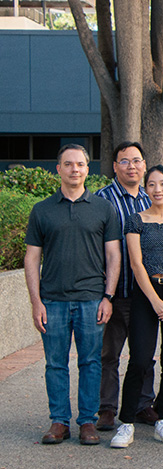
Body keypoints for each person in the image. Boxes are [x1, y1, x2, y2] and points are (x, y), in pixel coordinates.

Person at [24, 144, 121, 445]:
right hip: (52, 301)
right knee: (55, 363)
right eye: (68, 164)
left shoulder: (104, 209)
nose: (74, 169)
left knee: (91, 362)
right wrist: (35, 301)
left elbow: (114, 256)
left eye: (80, 164)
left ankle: (87, 422)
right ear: (59, 169)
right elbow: (31, 258)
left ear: (87, 169)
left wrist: (108, 296)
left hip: (92, 299)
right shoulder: (42, 210)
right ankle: (59, 422)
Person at [110, 166, 163, 448]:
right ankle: (127, 423)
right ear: (146, 189)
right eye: (152, 185)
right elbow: (135, 263)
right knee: (140, 359)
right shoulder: (136, 221)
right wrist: (156, 300)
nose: (158, 189)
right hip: (145, 294)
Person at [96, 142, 156, 431]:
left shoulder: (152, 199)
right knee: (109, 354)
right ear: (114, 166)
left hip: (145, 294)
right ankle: (106, 408)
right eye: (124, 161)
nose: (131, 166)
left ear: (144, 165)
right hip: (113, 292)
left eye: (136, 161)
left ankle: (142, 404)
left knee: (144, 353)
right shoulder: (101, 200)